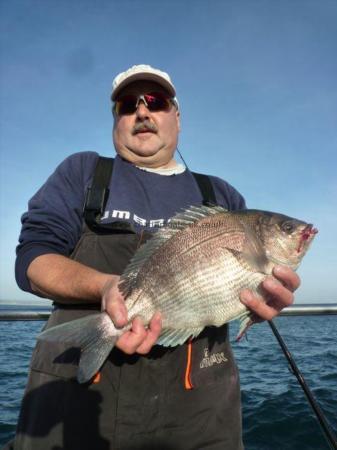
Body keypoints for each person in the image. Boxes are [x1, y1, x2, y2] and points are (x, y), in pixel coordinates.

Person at [8, 64, 299, 450]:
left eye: (156, 102)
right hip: (79, 409)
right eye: (129, 104)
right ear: (116, 120)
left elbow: (224, 294)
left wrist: (260, 305)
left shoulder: (221, 196)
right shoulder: (84, 172)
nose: (142, 112)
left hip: (197, 416)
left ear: (177, 117)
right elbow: (32, 259)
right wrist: (107, 287)